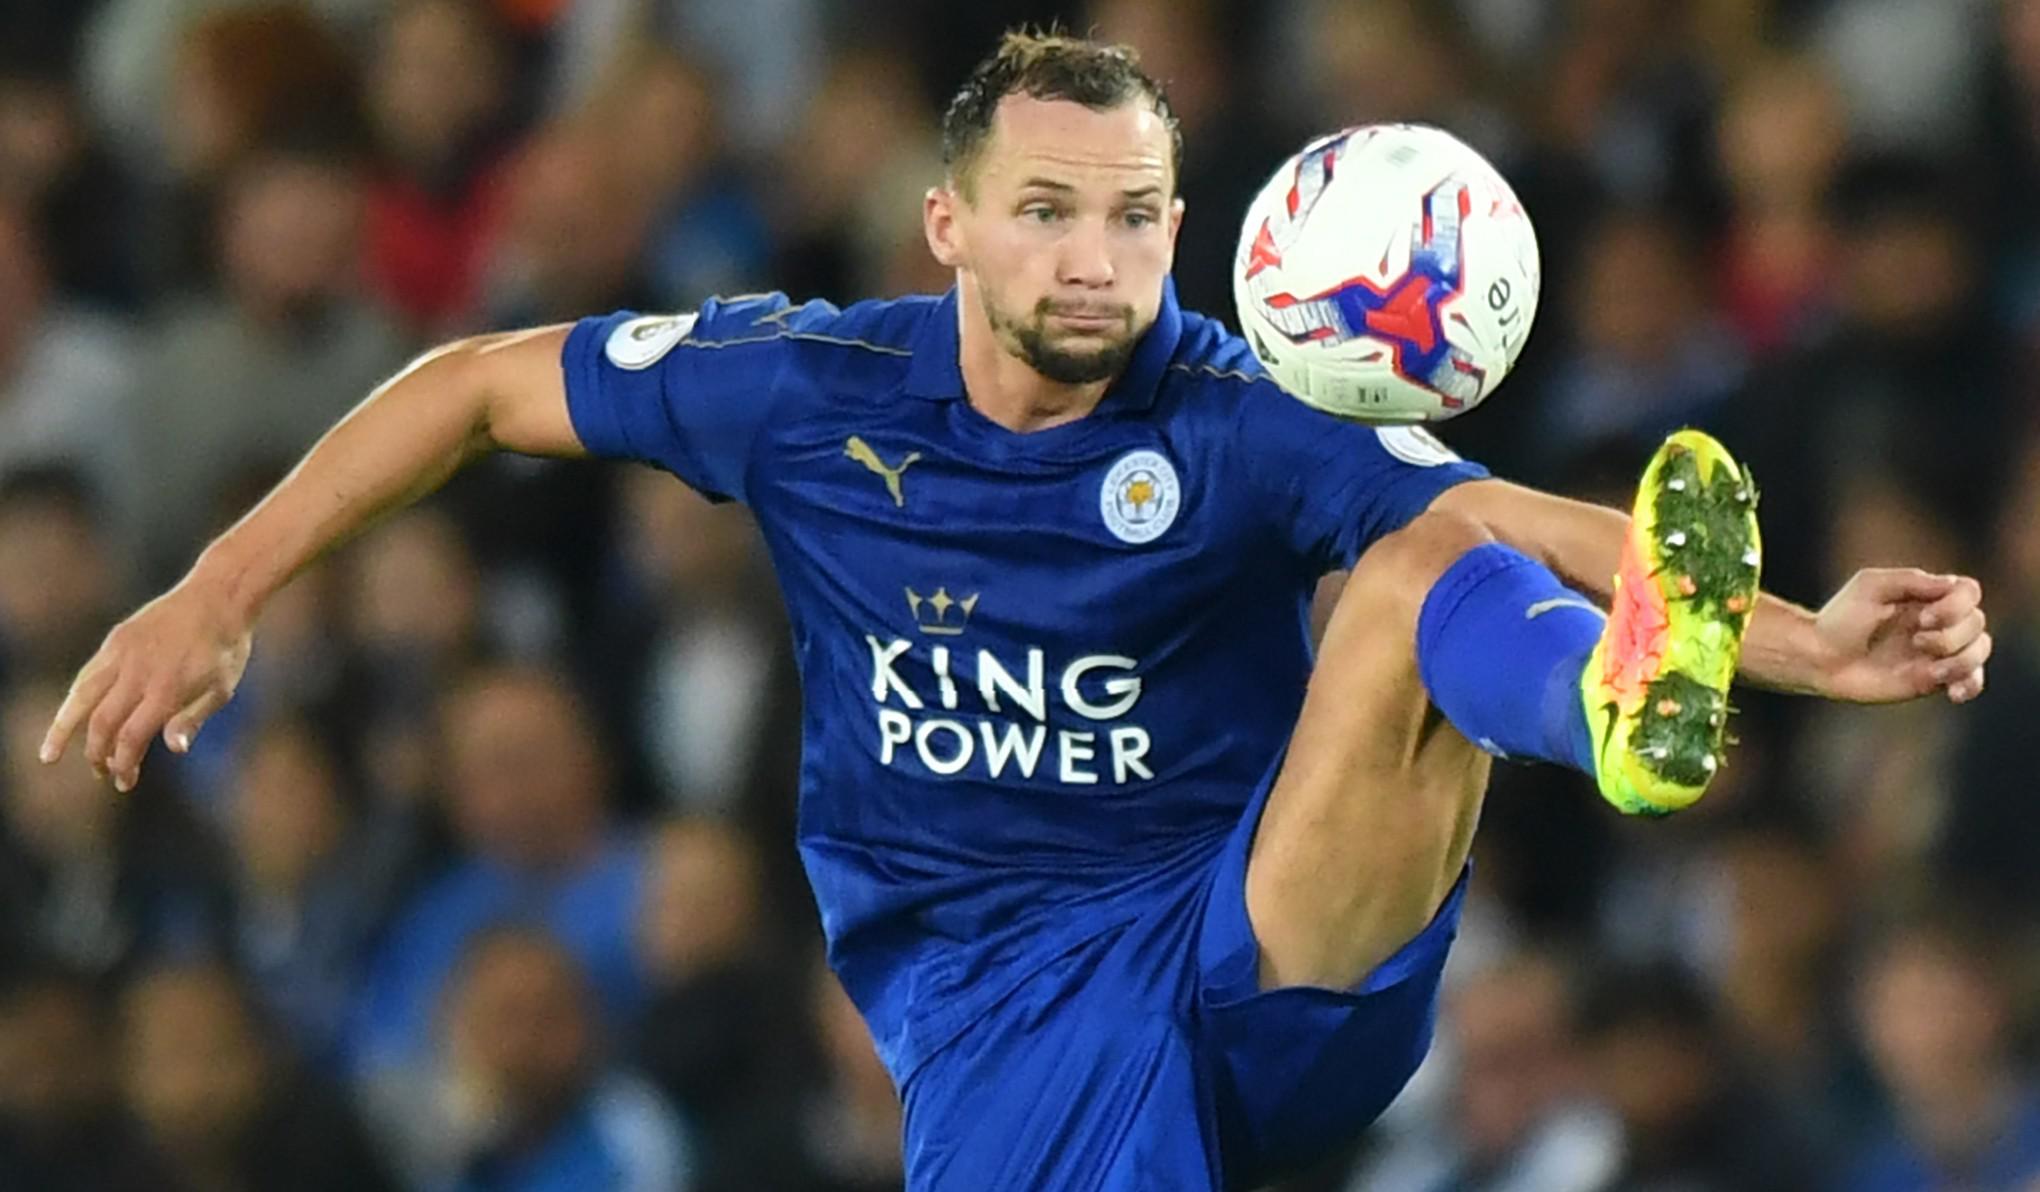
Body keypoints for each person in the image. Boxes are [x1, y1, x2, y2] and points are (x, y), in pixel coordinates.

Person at [40, 29, 1991, 1190]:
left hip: (1261, 935)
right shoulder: (803, 391)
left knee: (1424, 570)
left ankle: (1621, 718)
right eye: (1049, 209)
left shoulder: (1232, 407)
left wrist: (1796, 636)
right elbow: (474, 380)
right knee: (1417, 570)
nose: (1100, 254)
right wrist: (220, 586)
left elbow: (1491, 497)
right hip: (988, 979)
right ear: (948, 226)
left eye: (1136, 213)